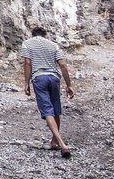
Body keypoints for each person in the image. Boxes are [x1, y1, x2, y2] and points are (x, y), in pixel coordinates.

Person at [22, 26, 75, 158]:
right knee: (56, 110)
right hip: (54, 78)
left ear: (33, 34)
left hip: (39, 78)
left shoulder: (27, 44)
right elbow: (62, 65)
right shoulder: (53, 45)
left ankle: (62, 145)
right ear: (44, 35)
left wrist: (26, 83)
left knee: (47, 111)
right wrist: (69, 85)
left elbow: (27, 63)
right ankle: (54, 142)